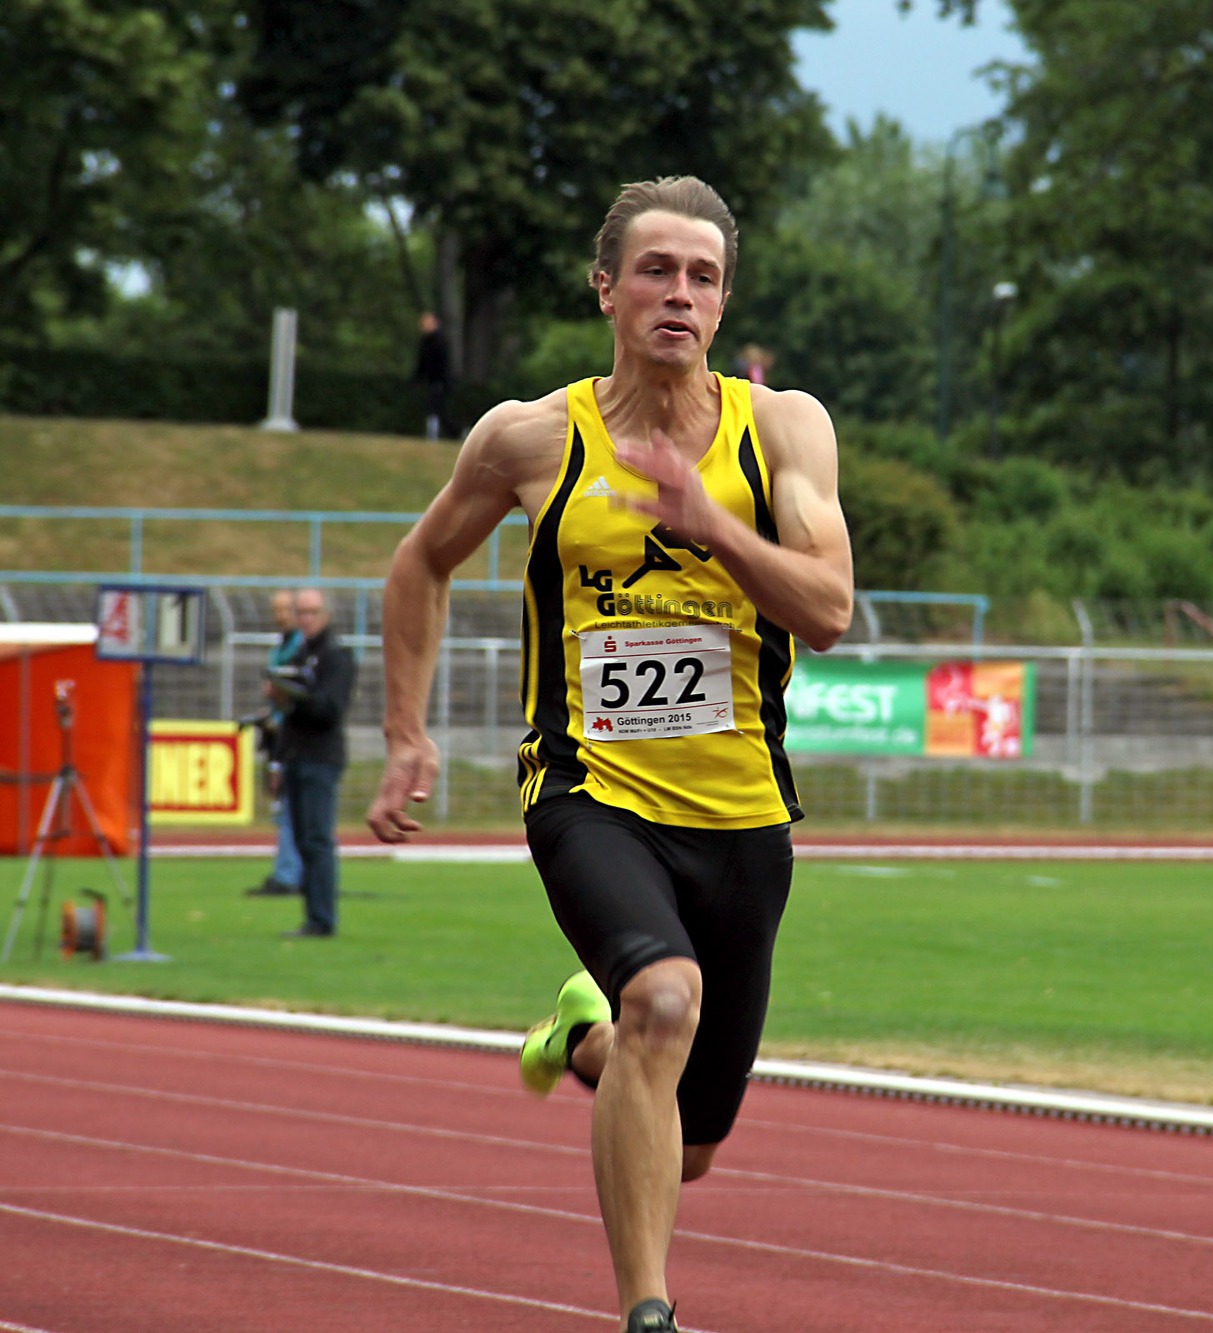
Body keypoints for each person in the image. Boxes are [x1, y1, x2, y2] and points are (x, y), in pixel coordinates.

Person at [365, 176, 853, 1333]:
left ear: (722, 304)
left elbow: (828, 610)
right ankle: (647, 1311)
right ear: (605, 289)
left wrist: (712, 526)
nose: (678, 294)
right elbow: (420, 562)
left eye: (702, 277)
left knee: (691, 1143)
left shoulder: (785, 428)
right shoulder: (530, 438)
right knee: (666, 1000)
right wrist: (405, 731)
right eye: (655, 271)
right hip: (589, 791)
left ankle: (582, 1038)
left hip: (741, 815)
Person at [272, 588, 354, 938]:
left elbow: (331, 709)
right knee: (303, 839)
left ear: (326, 615)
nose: (304, 618)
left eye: (311, 612)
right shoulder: (299, 653)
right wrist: (277, 761)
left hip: (321, 757)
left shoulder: (336, 657)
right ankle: (312, 913)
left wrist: (295, 697)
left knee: (318, 839)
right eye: (300, 612)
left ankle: (322, 918)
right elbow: (287, 719)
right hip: (295, 754)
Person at [246, 589, 306, 897]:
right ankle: (294, 871)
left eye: (285, 609)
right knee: (287, 807)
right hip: (281, 733)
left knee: (291, 807)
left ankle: (289, 874)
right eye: (276, 610)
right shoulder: (283, 645)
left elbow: (295, 692)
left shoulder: (300, 646)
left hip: (293, 736)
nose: (280, 616)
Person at [414, 311, 456, 441]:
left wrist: (444, 381)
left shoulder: (440, 342)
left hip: (439, 381)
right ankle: (451, 432)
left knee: (436, 409)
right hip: (431, 381)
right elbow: (422, 363)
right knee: (437, 410)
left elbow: (443, 364)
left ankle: (435, 435)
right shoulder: (425, 342)